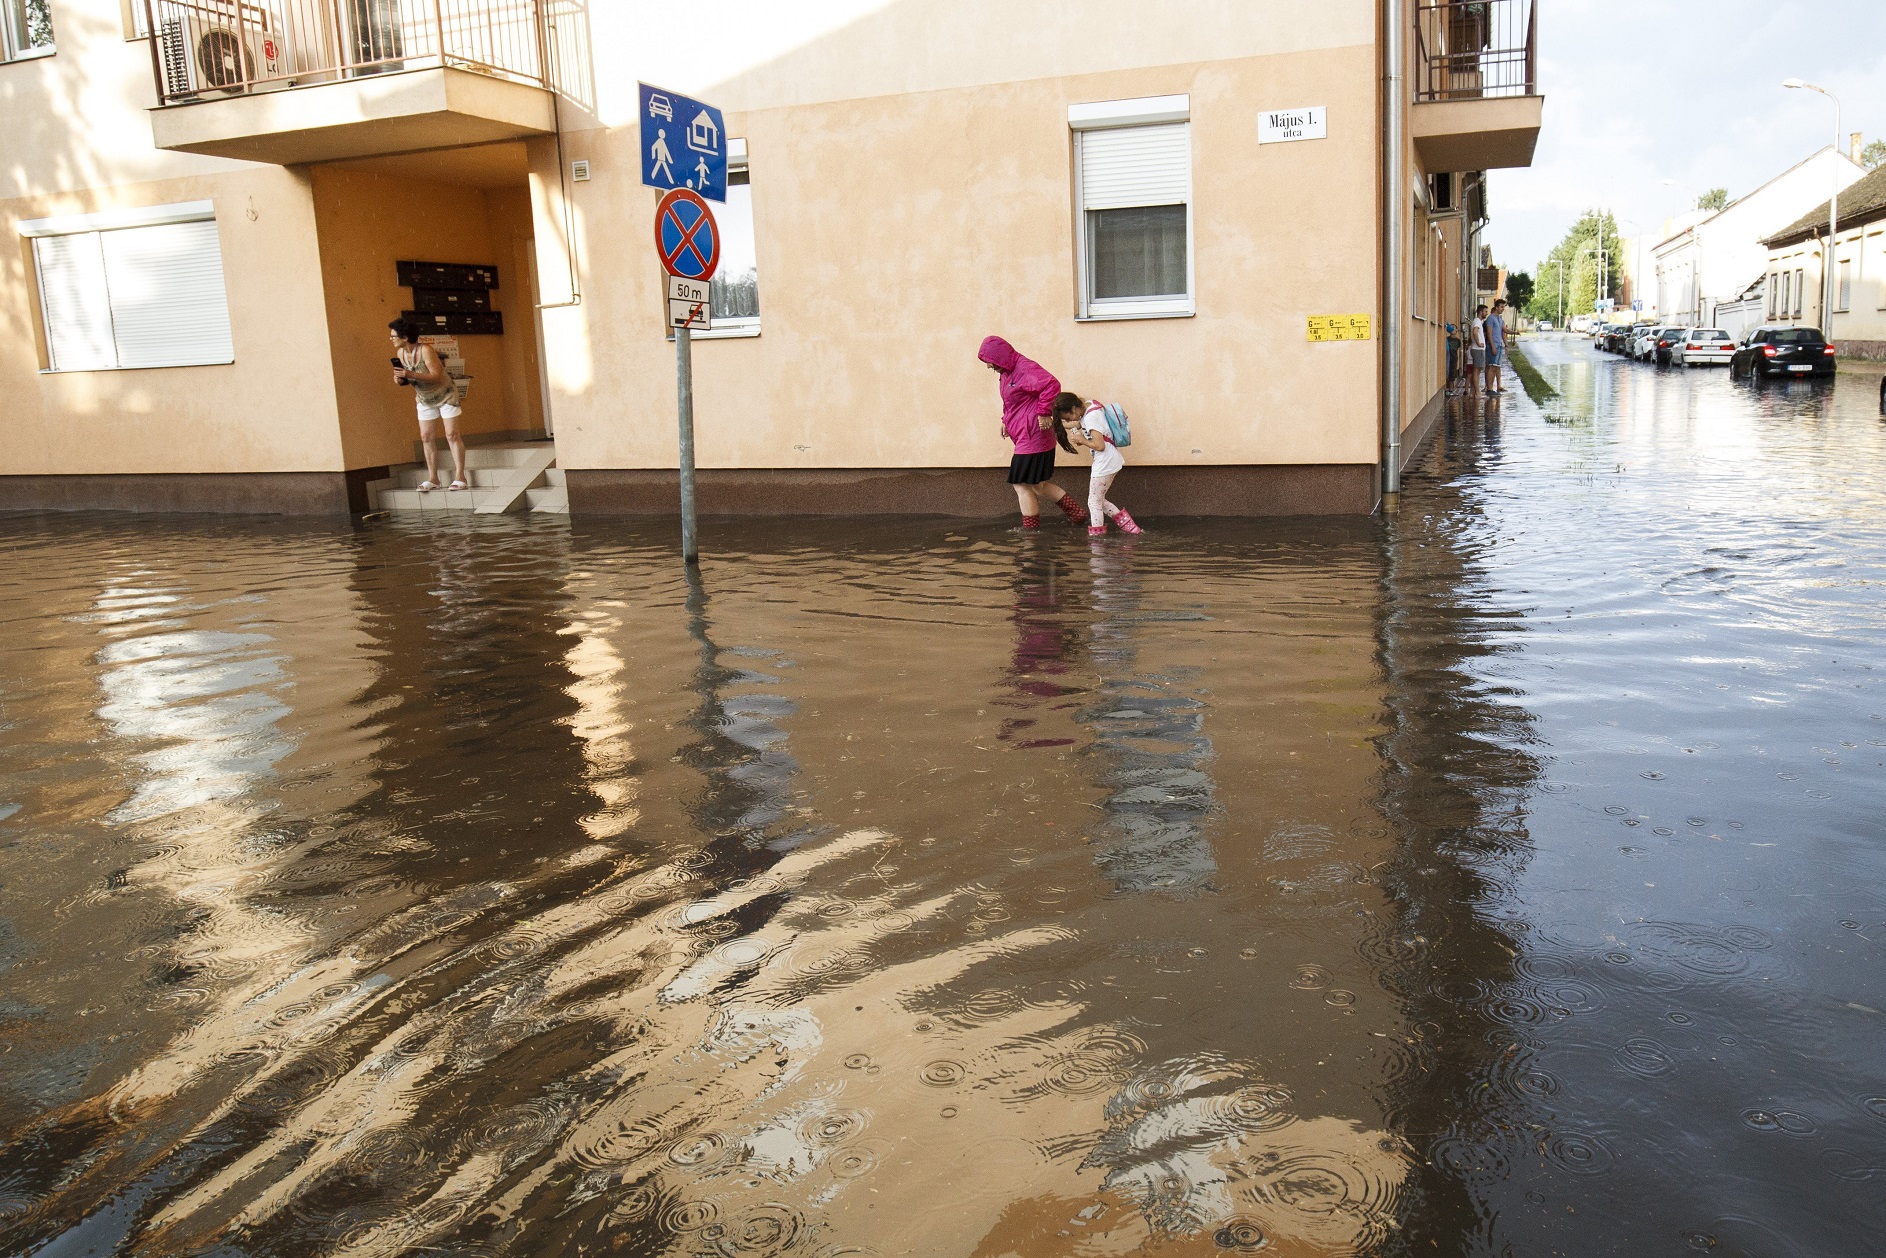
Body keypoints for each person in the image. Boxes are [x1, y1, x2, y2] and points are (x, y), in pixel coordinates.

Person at [977, 336, 1089, 529]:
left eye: (990, 361)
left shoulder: (1024, 368)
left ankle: (1030, 531)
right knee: (1038, 484)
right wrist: (1006, 420)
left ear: (1000, 357)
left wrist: (1044, 412)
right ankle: (1077, 514)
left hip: (1033, 436)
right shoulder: (1007, 372)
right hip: (1027, 435)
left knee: (1021, 484)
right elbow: (1012, 401)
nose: (988, 366)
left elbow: (1051, 385)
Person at [389, 317, 466, 491]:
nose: (391, 339)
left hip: (446, 394)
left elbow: (436, 376)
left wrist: (409, 374)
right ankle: (433, 479)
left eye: (393, 336)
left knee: (452, 434)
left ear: (405, 337)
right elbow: (409, 378)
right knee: (426, 437)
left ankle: (460, 476)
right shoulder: (400, 353)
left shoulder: (426, 350)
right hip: (424, 398)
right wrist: (400, 379)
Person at [1052, 391, 1143, 537]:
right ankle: (1132, 529)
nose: (1070, 420)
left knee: (1094, 502)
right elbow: (1077, 423)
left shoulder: (1091, 417)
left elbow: (1100, 446)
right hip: (1109, 460)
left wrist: (1082, 441)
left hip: (1105, 462)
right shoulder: (1089, 407)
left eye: (1068, 417)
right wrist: (1055, 423)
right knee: (1099, 500)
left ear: (1074, 409)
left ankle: (1097, 538)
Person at [1484, 300, 1507, 395]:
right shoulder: (1491, 318)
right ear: (1496, 307)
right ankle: (1489, 389)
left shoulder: (1500, 319)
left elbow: (1504, 330)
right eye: (1501, 307)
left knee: (1495, 367)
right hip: (1493, 346)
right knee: (1491, 367)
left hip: (1499, 345)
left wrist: (1514, 332)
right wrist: (1493, 346)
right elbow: (1489, 333)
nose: (1503, 309)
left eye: (1503, 307)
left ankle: (1491, 388)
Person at [1467, 305, 1488, 398]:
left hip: (1477, 349)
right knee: (1477, 371)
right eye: (1485, 311)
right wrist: (1478, 343)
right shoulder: (1477, 321)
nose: (1486, 313)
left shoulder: (1478, 321)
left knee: (1476, 371)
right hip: (1478, 349)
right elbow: (1475, 332)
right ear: (1480, 312)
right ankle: (1478, 392)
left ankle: (1472, 393)